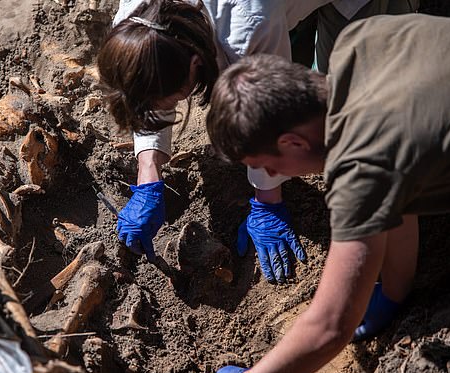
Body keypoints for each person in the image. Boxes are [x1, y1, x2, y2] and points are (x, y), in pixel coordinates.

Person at [205, 14, 450, 373]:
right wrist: (393, 292)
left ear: (293, 142)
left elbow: (330, 325)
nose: (271, 175)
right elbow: (399, 198)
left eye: (268, 165)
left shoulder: (360, 167)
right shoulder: (360, 41)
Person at [97, 0, 417, 283]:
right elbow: (146, 94)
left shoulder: (248, 26)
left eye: (172, 100)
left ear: (195, 64)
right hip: (267, 14)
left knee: (354, 109)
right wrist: (148, 175)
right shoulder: (135, 21)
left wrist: (268, 202)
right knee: (288, 36)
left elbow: (269, 119)